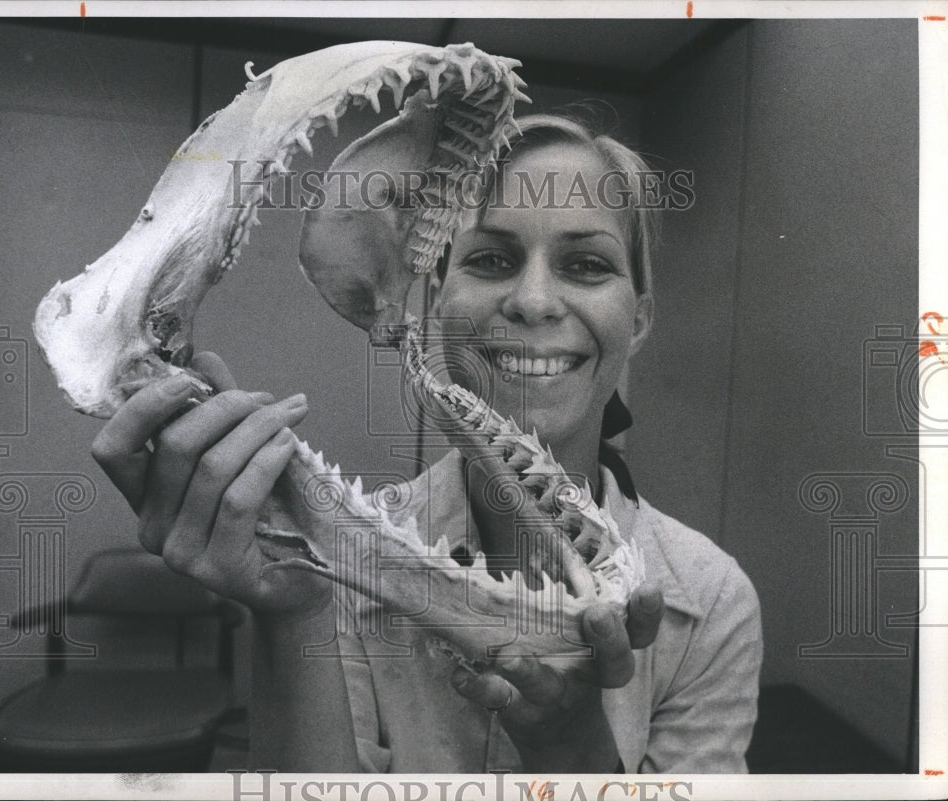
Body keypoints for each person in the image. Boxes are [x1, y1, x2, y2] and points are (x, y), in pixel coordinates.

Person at [90, 113, 762, 773]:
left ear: (638, 318)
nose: (533, 300)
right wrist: (295, 608)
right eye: (492, 259)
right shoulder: (331, 563)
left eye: (585, 264)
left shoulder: (710, 604)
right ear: (437, 300)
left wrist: (574, 755)